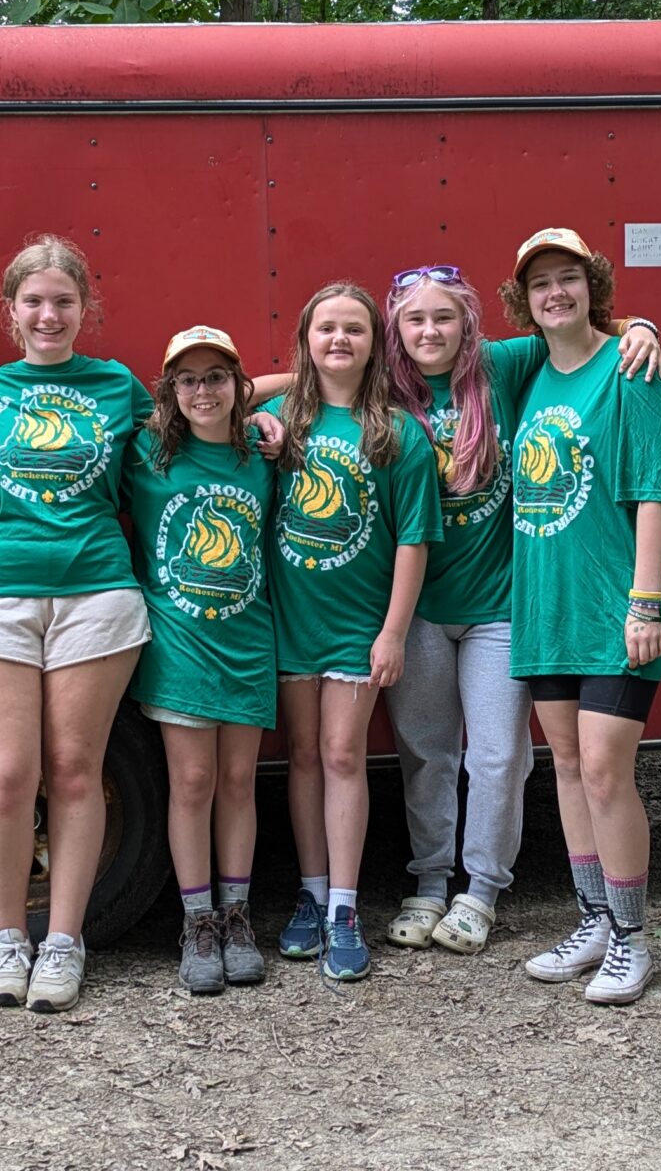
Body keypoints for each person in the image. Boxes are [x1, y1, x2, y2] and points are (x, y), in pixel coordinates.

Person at [373, 267, 661, 956]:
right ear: (396, 330)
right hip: (416, 607)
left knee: (500, 757)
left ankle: (481, 891)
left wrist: (643, 326)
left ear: (468, 323)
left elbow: (583, 331)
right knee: (426, 753)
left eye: (444, 317)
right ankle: (429, 882)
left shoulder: (502, 364)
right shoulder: (382, 387)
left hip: (501, 605)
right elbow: (303, 379)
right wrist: (256, 407)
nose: (430, 332)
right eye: (414, 320)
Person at [0, 236, 155, 1014]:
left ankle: (64, 941)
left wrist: (272, 414)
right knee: (4, 777)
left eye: (63, 301)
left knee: (74, 770)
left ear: (84, 309)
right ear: (11, 312)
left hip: (97, 594)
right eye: (33, 301)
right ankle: (7, 938)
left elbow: (206, 413)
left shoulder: (117, 386)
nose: (49, 314)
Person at [500, 228, 661, 1006]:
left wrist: (645, 600)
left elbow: (653, 492)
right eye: (540, 284)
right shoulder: (531, 371)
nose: (555, 294)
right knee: (566, 769)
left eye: (568, 278)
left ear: (592, 287)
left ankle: (634, 938)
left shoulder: (631, 370)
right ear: (525, 301)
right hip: (545, 607)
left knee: (607, 771)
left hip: (613, 608)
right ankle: (595, 919)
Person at [263, 282, 443, 982]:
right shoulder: (278, 422)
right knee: (303, 756)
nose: (339, 340)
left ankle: (344, 905)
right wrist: (280, 401)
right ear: (306, 340)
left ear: (376, 344)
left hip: (356, 627)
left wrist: (393, 632)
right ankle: (309, 895)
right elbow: (220, 398)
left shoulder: (397, 433)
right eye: (326, 329)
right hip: (288, 619)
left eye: (355, 330)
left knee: (343, 756)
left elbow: (412, 542)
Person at [123, 326, 279, 994]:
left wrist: (261, 402)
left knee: (239, 782)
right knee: (192, 784)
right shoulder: (148, 452)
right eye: (187, 379)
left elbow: (287, 384)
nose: (202, 390)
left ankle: (238, 915)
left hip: (247, 642)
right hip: (181, 646)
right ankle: (197, 921)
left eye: (217, 376)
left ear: (237, 386)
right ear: (170, 391)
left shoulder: (264, 455)